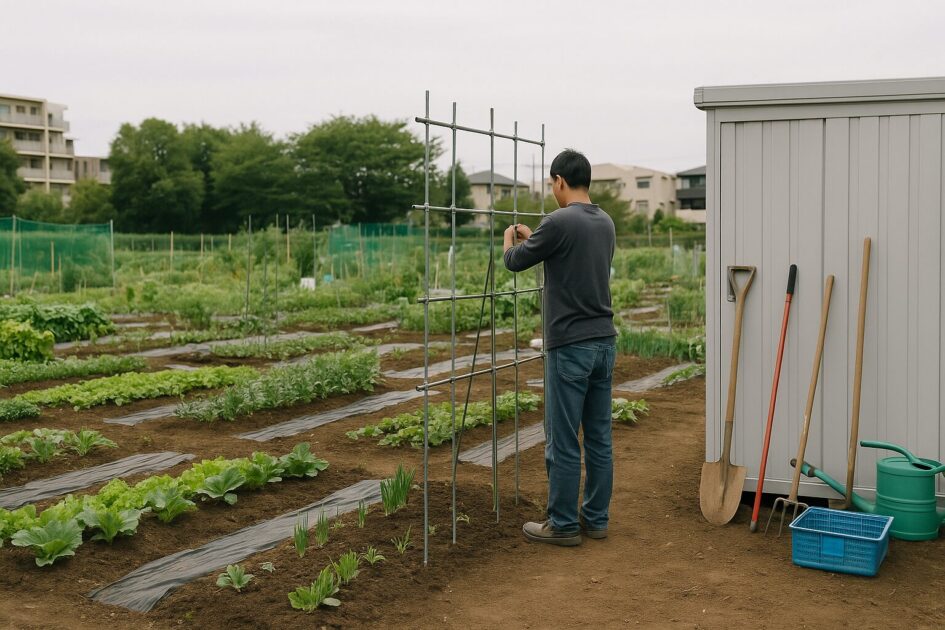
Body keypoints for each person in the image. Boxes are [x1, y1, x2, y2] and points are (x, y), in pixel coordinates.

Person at [503, 148, 617, 547]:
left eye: (552, 184)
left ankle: (563, 524)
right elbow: (569, 257)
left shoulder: (558, 220)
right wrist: (538, 239)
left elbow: (516, 262)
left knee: (564, 438)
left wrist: (509, 242)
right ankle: (596, 519)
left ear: (559, 181)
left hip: (570, 345)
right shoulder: (605, 222)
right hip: (604, 341)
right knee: (599, 436)